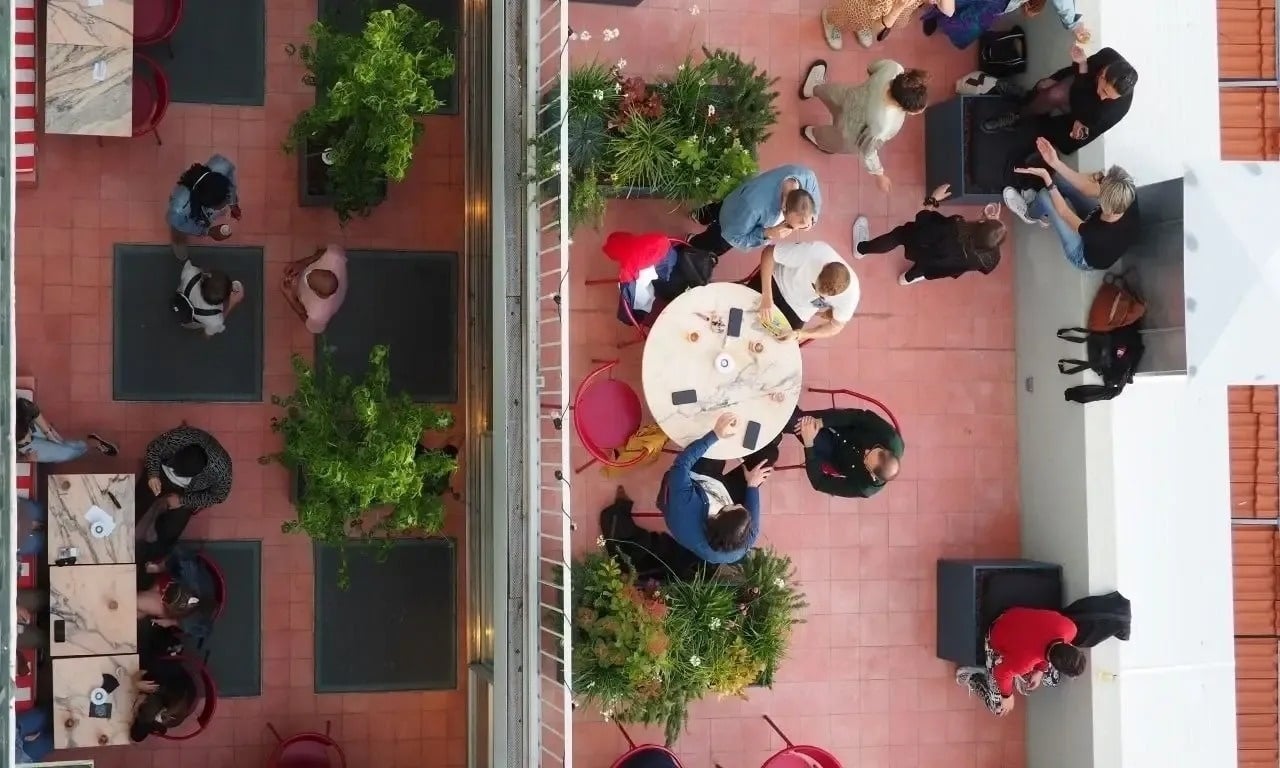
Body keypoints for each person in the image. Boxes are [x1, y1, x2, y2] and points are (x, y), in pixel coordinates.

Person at [1003, 138, 1139, 271]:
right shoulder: (1126, 191)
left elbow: (1063, 211)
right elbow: (1086, 187)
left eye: (1100, 191)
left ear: (1105, 206)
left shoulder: (1097, 233)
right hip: (1097, 223)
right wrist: (1055, 162)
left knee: (1045, 195)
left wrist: (1047, 179)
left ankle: (1030, 214)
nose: (1097, 185)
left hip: (1082, 254)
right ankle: (1045, 207)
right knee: (1058, 178)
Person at [982, 44, 1137, 158]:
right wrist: (1070, 71)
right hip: (1080, 90)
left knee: (1053, 95)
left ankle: (1018, 115)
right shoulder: (1107, 55)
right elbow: (1077, 78)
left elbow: (1082, 111)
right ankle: (1024, 101)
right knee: (1045, 86)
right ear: (1102, 74)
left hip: (1081, 120)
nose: (1104, 97)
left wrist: (1082, 67)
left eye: (1110, 97)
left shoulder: (1118, 109)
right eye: (1104, 91)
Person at [658, 412, 773, 566]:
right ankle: (741, 452)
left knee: (716, 438)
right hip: (718, 491)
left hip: (695, 484)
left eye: (734, 506)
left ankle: (719, 436)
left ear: (717, 516)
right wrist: (752, 485)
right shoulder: (739, 544)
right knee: (769, 455)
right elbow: (753, 531)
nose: (739, 503)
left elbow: (681, 465)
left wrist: (715, 435)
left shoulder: (684, 506)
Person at [799, 60, 929, 193]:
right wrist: (879, 174)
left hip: (848, 98)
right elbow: (868, 151)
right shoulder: (885, 125)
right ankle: (812, 134)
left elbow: (872, 68)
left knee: (829, 93)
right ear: (902, 106)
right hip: (849, 135)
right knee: (829, 139)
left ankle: (812, 88)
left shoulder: (893, 68)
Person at [851, 183, 1007, 285]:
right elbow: (987, 255)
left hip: (921, 246)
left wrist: (933, 199)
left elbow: (923, 221)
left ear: (981, 224)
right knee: (925, 267)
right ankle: (906, 279)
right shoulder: (992, 258)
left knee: (899, 235)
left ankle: (861, 249)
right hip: (939, 267)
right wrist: (990, 229)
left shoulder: (956, 226)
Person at [955, 606, 1087, 716]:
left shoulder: (1070, 628)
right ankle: (975, 676)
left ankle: (1016, 675)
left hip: (1015, 618)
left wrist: (1040, 670)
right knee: (997, 707)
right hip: (996, 635)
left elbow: (1046, 646)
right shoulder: (1025, 663)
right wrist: (1007, 696)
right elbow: (1001, 673)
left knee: (1051, 681)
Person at [137, 426, 233, 560]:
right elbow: (154, 448)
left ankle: (147, 557)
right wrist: (153, 474)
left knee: (172, 530)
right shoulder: (181, 437)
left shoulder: (222, 471)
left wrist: (183, 501)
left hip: (187, 492)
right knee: (137, 502)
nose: (176, 473)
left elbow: (219, 496)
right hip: (162, 472)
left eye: (180, 473)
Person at [687, 165, 821, 256]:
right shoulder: (753, 207)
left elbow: (814, 192)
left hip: (735, 202)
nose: (792, 230)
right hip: (734, 220)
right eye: (790, 225)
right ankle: (693, 243)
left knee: (719, 207)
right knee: (716, 240)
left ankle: (700, 215)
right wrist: (767, 233)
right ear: (784, 208)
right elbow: (734, 237)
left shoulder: (806, 176)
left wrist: (812, 219)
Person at [744, 241, 858, 341]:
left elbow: (836, 326)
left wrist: (800, 334)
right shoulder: (811, 252)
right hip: (775, 282)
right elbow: (769, 253)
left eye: (822, 297)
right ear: (823, 266)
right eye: (814, 287)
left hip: (798, 312)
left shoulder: (851, 297)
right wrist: (767, 296)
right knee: (739, 310)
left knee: (771, 345)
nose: (816, 294)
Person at [790, 406, 904, 497]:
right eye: (875, 448)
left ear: (872, 474)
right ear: (887, 450)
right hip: (842, 424)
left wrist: (809, 443)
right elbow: (858, 417)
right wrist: (822, 422)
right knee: (796, 421)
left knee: (795, 422)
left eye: (867, 457)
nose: (867, 450)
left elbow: (819, 482)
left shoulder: (864, 488)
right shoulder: (890, 437)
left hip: (832, 452)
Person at [922, 0, 1089, 51]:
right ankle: (935, 14)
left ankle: (941, 23)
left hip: (999, 4)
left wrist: (1074, 25)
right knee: (956, 3)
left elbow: (1063, 2)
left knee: (965, 25)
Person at [167, 156, 241, 258]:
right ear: (204, 203)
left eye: (226, 198)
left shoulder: (223, 166)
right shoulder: (179, 209)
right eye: (218, 205)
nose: (225, 206)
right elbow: (180, 224)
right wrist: (207, 231)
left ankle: (204, 220)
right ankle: (179, 245)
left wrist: (233, 204)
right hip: (181, 215)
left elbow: (230, 186)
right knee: (178, 231)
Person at [16, 395, 117, 462]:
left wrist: (48, 432)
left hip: (28, 425)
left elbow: (32, 410)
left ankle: (91, 443)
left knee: (60, 440)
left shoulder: (18, 407)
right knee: (64, 453)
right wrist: (25, 458)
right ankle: (91, 444)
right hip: (25, 447)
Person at [820, 0, 952, 50]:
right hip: (866, 6)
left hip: (882, 12)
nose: (935, 2)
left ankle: (862, 26)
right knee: (852, 16)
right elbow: (877, 32)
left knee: (865, 21)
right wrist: (896, 10)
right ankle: (831, 19)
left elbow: (949, 11)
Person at [281, 245, 349, 334]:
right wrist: (302, 264)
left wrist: (290, 298)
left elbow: (311, 326)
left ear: (318, 293)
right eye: (310, 272)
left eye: (307, 281)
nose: (305, 275)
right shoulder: (335, 258)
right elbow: (322, 252)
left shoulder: (318, 313)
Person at [131, 657, 199, 742]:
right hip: (174, 675)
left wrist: (143, 694)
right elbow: (150, 670)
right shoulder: (173, 694)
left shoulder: (171, 718)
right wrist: (137, 682)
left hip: (171, 687)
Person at [174, 256, 244, 337]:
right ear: (222, 301)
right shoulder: (214, 319)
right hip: (192, 320)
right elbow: (207, 334)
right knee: (201, 325)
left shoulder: (191, 272)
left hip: (181, 298)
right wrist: (232, 303)